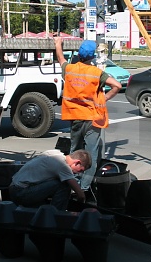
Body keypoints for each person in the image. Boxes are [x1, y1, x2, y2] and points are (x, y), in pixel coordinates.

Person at [54, 37, 122, 194]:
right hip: (92, 118)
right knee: (91, 154)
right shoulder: (96, 73)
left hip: (75, 117)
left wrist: (58, 44)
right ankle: (83, 188)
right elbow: (117, 85)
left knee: (75, 151)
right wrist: (104, 98)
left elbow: (60, 58)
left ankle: (71, 183)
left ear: (79, 54)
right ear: (92, 56)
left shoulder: (69, 69)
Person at [9, 149, 91, 210]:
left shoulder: (55, 154)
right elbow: (80, 194)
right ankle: (57, 215)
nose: (78, 173)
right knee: (64, 185)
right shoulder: (62, 165)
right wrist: (81, 206)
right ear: (77, 162)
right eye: (81, 170)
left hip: (15, 188)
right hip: (21, 193)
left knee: (59, 182)